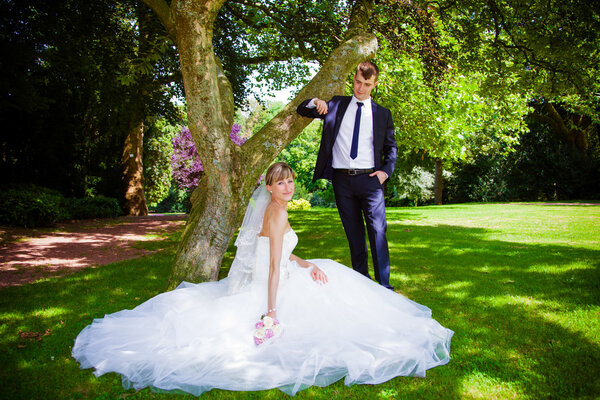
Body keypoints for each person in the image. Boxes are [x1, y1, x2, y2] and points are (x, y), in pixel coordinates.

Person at [72, 162, 452, 397]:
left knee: (328, 272)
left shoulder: (274, 211)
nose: (287, 187)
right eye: (280, 182)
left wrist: (305, 263)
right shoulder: (276, 212)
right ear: (268, 188)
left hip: (286, 271)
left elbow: (279, 251)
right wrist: (271, 311)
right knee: (339, 305)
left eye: (290, 182)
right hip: (275, 285)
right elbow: (271, 267)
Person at [297, 60, 397, 289]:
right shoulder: (336, 105)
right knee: (354, 236)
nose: (360, 88)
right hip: (342, 181)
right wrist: (315, 102)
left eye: (366, 84)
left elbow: (391, 148)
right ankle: (363, 284)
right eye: (357, 82)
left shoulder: (383, 114)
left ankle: (385, 287)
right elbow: (302, 109)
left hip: (371, 180)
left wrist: (385, 172)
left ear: (375, 84)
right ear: (353, 78)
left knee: (378, 233)